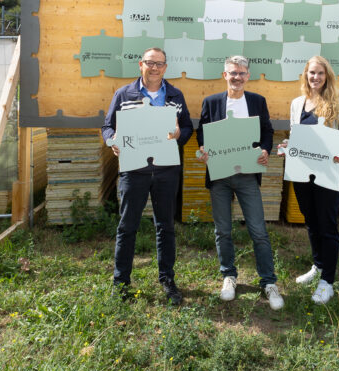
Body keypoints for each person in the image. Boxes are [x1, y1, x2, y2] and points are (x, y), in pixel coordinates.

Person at [102, 47, 193, 306]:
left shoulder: (175, 95)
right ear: (140, 65)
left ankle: (167, 279)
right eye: (150, 63)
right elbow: (107, 126)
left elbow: (187, 127)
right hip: (133, 170)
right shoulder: (123, 94)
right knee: (127, 226)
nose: (154, 68)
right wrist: (112, 141)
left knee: (165, 226)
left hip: (166, 170)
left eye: (159, 64)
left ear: (165, 68)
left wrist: (179, 136)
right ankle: (120, 283)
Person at [196, 55, 284, 310]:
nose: (236, 77)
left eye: (241, 73)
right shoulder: (211, 102)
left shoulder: (257, 101)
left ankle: (268, 282)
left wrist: (266, 149)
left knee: (258, 230)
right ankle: (229, 276)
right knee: (223, 229)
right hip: (220, 174)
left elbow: (267, 131)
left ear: (248, 76)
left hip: (247, 175)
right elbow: (203, 132)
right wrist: (203, 149)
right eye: (232, 73)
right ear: (225, 75)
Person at [282, 55, 339, 305]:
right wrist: (288, 146)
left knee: (327, 224)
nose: (315, 77)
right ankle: (318, 266)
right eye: (312, 73)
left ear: (327, 76)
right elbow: (296, 135)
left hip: (329, 172)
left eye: (320, 73)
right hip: (303, 171)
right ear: (306, 75)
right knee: (311, 220)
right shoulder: (297, 103)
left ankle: (328, 282)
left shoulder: (338, 102)